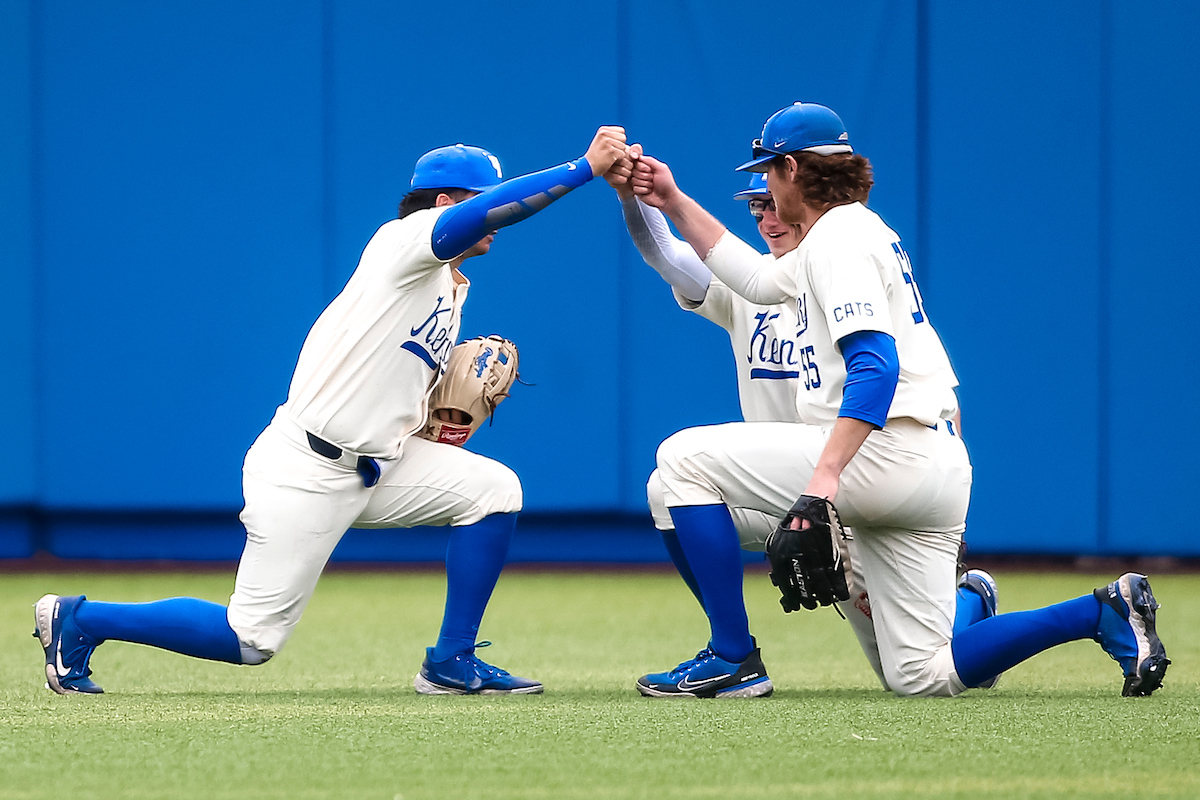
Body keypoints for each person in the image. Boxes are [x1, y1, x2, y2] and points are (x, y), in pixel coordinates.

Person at [34, 127, 630, 697]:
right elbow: (483, 214)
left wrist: (430, 422)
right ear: (443, 204)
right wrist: (582, 170)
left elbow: (386, 377)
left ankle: (452, 661)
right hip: (307, 467)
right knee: (249, 640)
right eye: (485, 198)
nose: (496, 215)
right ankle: (82, 619)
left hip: (378, 464)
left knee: (494, 490)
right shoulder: (403, 243)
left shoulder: (450, 283)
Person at [625, 102, 1168, 698]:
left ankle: (732, 658)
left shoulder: (839, 240)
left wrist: (823, 482)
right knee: (921, 674)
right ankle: (1097, 612)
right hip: (929, 468)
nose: (766, 190)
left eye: (768, 173)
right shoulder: (854, 230)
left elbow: (875, 367)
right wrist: (672, 201)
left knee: (681, 459)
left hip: (881, 457)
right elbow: (754, 282)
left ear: (791, 169)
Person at [606, 159, 999, 695]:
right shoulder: (760, 284)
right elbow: (669, 254)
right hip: (791, 494)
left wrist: (946, 521)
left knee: (911, 672)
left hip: (854, 481)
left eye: (771, 198)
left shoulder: (842, 260)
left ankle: (971, 605)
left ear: (798, 188)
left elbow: (923, 400)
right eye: (756, 206)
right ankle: (731, 652)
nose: (767, 215)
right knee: (667, 485)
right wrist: (641, 196)